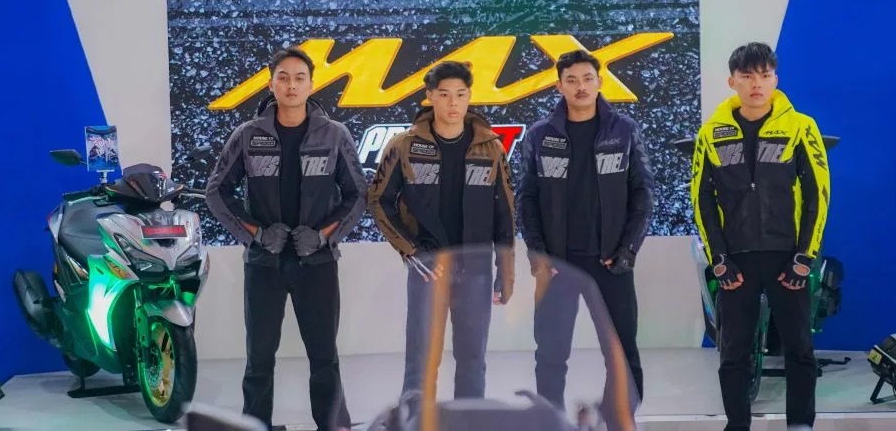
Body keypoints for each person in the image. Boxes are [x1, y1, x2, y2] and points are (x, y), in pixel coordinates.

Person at [206, 46, 367, 431]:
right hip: (265, 264)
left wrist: (324, 236)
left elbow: (358, 194)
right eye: (283, 77)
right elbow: (216, 192)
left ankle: (333, 425)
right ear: (271, 84)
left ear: (311, 84)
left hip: (318, 264)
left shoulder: (335, 135)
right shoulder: (247, 135)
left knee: (324, 356)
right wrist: (257, 234)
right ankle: (255, 425)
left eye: (299, 78)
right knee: (259, 358)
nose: (291, 85)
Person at [690, 42, 830, 431]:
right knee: (733, 351)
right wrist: (719, 259)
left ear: (775, 79)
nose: (757, 84)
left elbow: (818, 196)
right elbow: (701, 200)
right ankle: (737, 424)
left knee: (799, 347)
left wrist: (805, 257)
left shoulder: (801, 127)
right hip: (736, 261)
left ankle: (800, 424)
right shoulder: (711, 133)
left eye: (765, 75)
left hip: (788, 258)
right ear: (732, 81)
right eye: (748, 76)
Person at [367, 61, 515, 404]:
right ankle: (416, 422)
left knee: (473, 360)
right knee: (420, 360)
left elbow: (505, 213)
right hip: (428, 267)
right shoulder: (404, 145)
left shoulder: (491, 148)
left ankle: (470, 422)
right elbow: (377, 200)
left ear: (469, 97)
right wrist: (411, 250)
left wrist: (505, 272)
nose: (453, 103)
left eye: (460, 95)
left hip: (476, 268)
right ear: (430, 96)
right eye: (445, 94)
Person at [517, 49, 654, 410]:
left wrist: (628, 250)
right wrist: (538, 253)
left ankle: (621, 418)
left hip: (612, 263)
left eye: (587, 79)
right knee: (550, 354)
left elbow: (643, 192)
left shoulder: (624, 130)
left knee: (622, 352)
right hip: (558, 265)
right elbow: (526, 198)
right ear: (559, 86)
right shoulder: (540, 135)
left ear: (599, 82)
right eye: (572, 80)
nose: (580, 86)